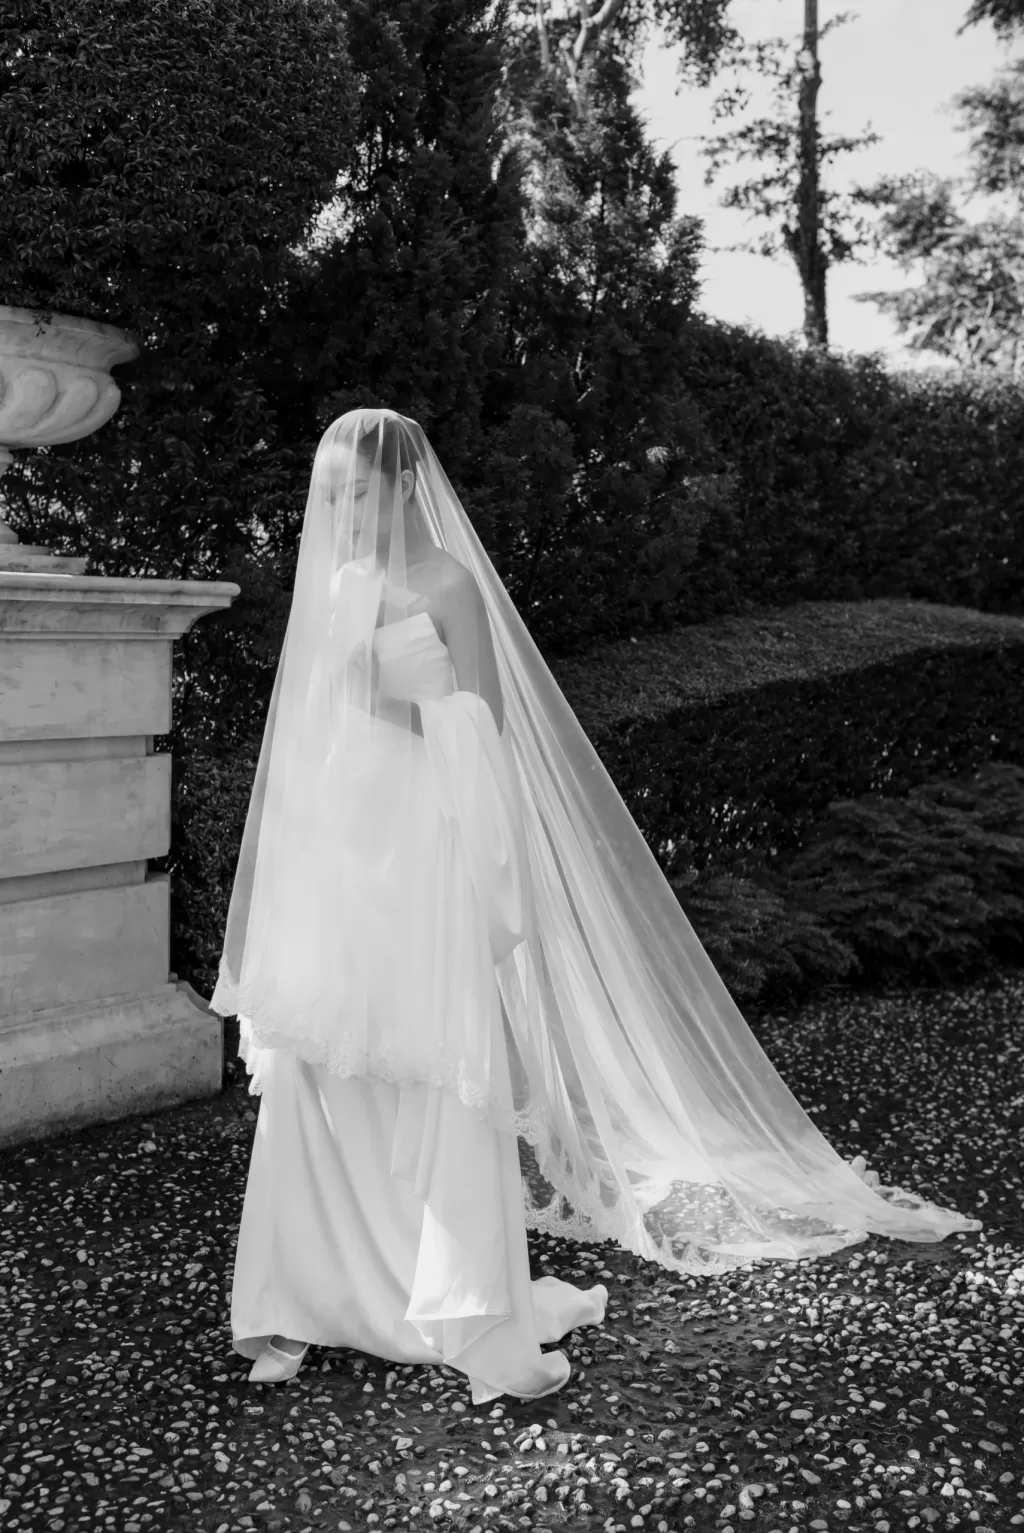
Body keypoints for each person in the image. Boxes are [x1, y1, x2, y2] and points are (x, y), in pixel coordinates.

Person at [209, 408, 979, 1395]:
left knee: (429, 1060)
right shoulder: (341, 582)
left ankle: (446, 1297)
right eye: (331, 496)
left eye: (356, 493)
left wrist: (389, 701)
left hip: (426, 846)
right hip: (347, 850)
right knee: (323, 1062)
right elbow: (311, 736)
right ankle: (301, 1294)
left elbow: (482, 723)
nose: (343, 513)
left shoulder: (448, 584)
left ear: (401, 486)